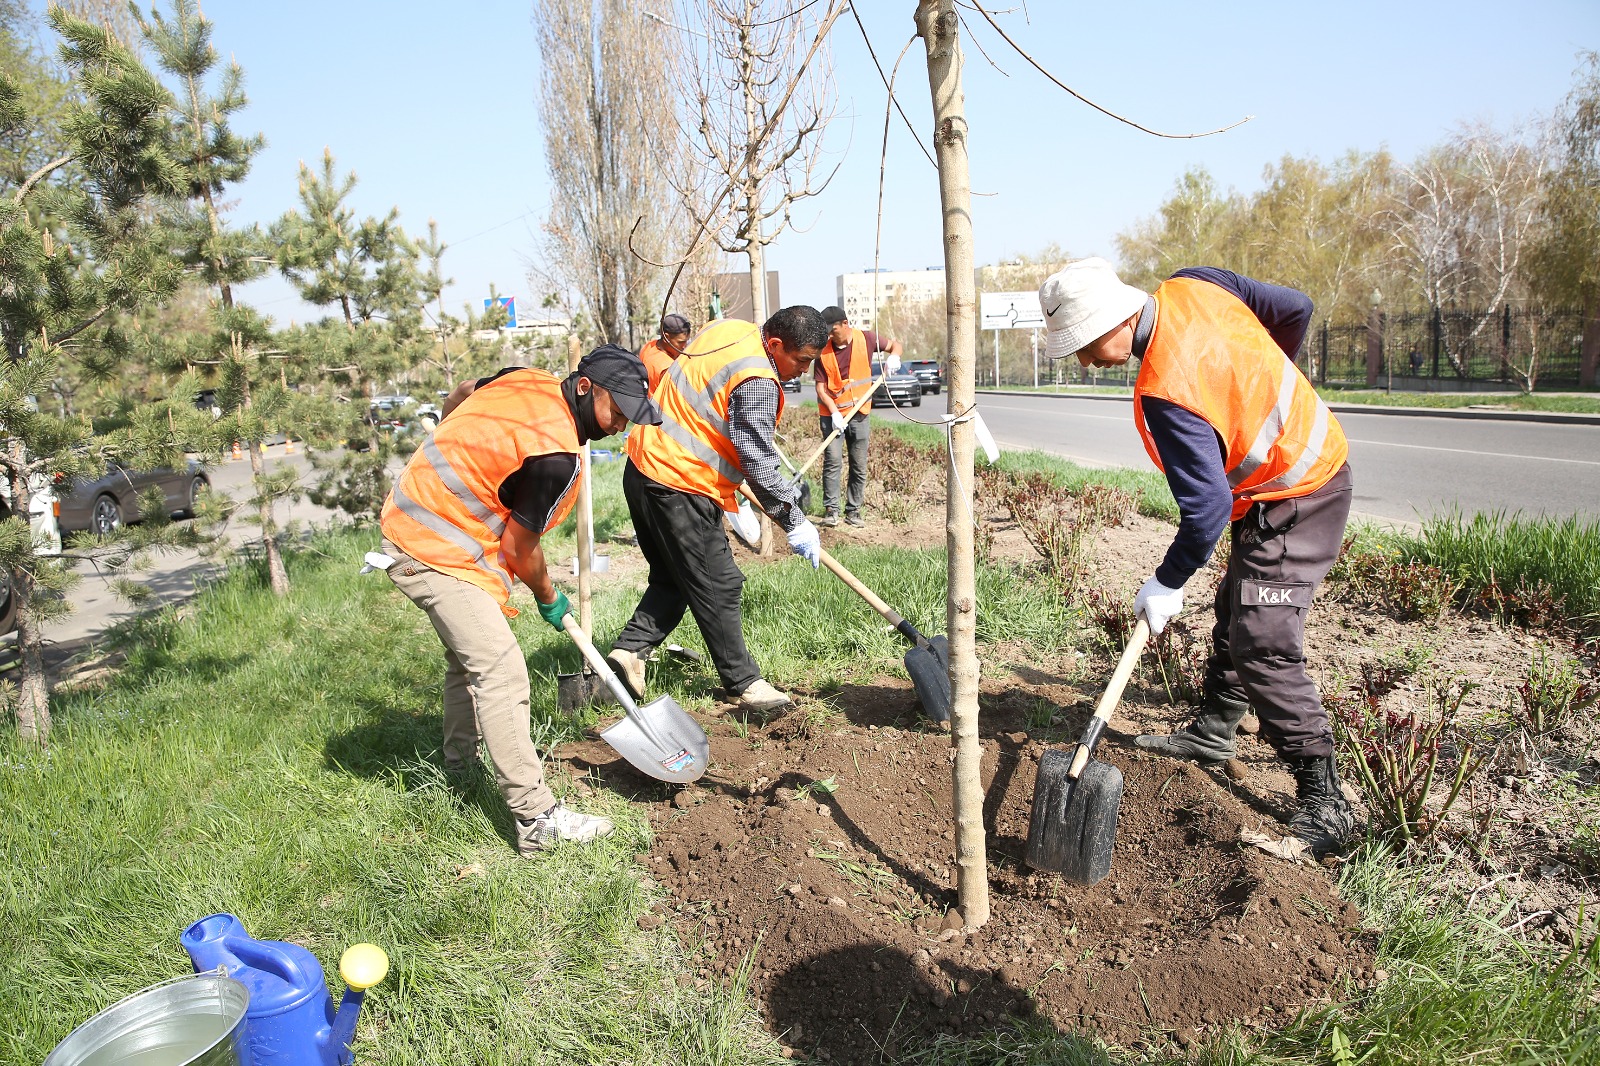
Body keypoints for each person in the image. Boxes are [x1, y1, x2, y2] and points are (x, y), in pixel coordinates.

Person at [1038, 258, 1355, 856]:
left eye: (1080, 346)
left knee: (1262, 639)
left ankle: (1325, 802)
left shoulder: (1167, 390)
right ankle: (1214, 733)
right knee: (1237, 607)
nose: (1082, 362)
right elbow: (1297, 308)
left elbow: (1206, 510)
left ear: (1113, 321)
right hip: (1283, 482)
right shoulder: (1197, 284)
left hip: (1299, 492)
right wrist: (1254, 380)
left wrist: (1166, 580)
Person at [377, 347, 663, 855]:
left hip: (416, 515)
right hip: (432, 546)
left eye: (629, 415)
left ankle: (459, 769)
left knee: (468, 662)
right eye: (616, 409)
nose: (620, 424)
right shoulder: (553, 457)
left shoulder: (526, 379)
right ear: (583, 387)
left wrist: (451, 433)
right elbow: (518, 548)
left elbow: (466, 391)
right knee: (502, 671)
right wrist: (550, 598)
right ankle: (536, 819)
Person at [606, 307, 829, 715]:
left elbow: (705, 411)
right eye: (802, 360)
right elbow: (759, 460)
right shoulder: (758, 379)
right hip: (679, 483)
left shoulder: (730, 330)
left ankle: (629, 653)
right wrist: (795, 521)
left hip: (641, 466)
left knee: (675, 577)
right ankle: (742, 683)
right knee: (720, 582)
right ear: (776, 345)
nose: (803, 371)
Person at [815, 306, 903, 527]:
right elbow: (820, 388)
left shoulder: (867, 339)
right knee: (833, 462)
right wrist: (834, 413)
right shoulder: (822, 351)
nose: (830, 335)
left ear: (845, 324)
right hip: (832, 416)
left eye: (833, 329)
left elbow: (895, 345)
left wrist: (894, 357)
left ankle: (853, 511)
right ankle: (831, 511)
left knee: (859, 464)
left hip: (860, 414)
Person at [638, 313, 693, 392]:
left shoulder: (649, 346)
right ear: (666, 337)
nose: (684, 346)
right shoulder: (667, 369)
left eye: (686, 341)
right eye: (680, 342)